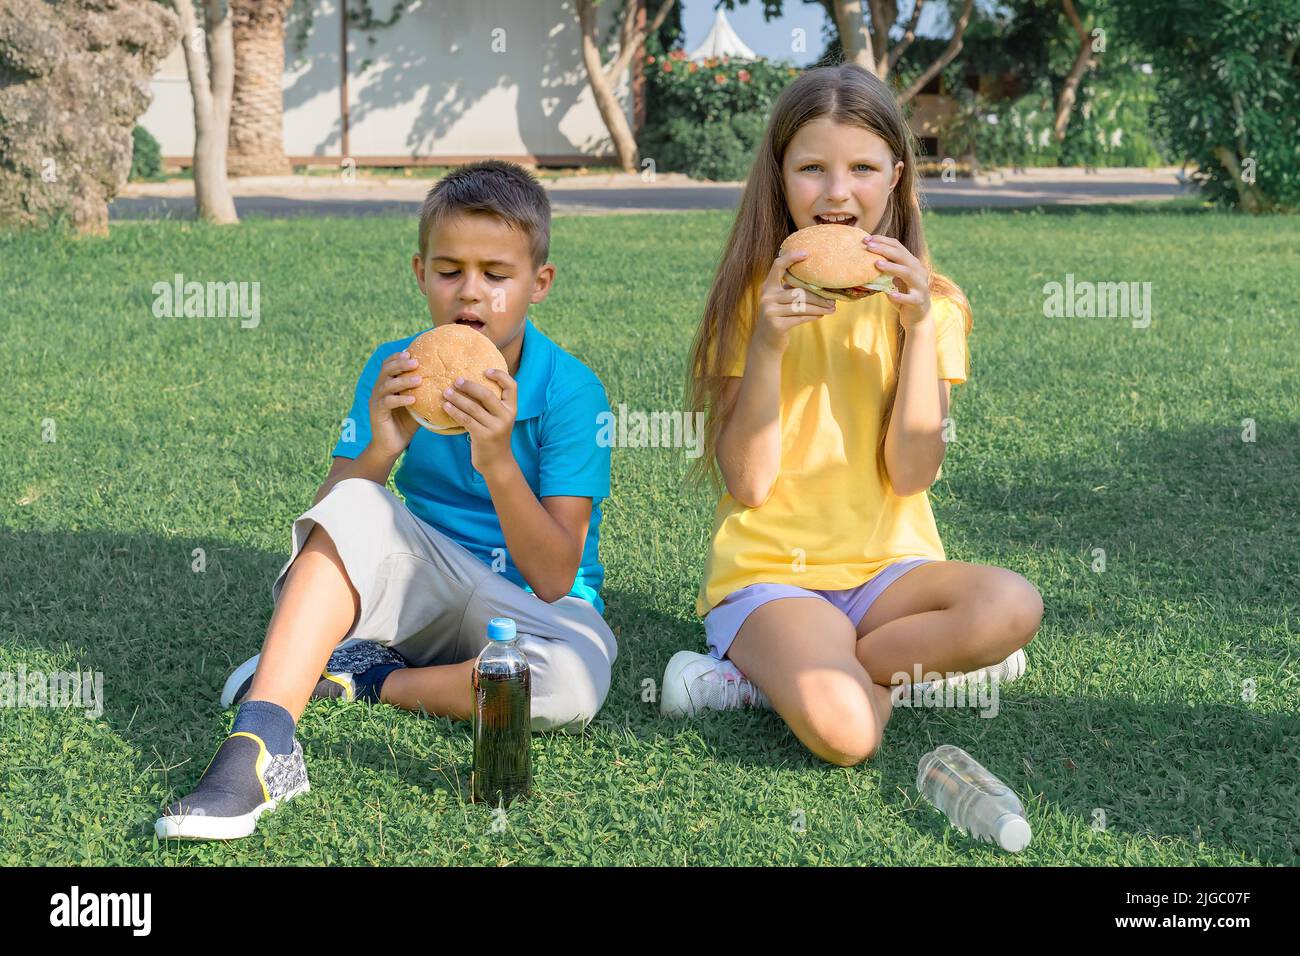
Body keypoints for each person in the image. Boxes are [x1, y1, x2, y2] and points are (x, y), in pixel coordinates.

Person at [156, 160, 617, 840]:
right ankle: (262, 742)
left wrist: (495, 459)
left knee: (571, 686)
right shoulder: (395, 366)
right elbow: (335, 518)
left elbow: (553, 576)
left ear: (537, 284)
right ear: (419, 272)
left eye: (496, 275)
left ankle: (366, 676)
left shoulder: (573, 392)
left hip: (531, 609)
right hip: (421, 587)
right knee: (354, 499)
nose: (471, 294)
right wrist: (381, 446)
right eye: (449, 270)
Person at [660, 65, 1043, 766]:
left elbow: (912, 472)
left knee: (1013, 605)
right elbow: (747, 484)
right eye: (811, 167)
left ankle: (798, 672)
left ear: (895, 176)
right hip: (774, 575)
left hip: (891, 575)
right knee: (849, 737)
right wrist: (770, 344)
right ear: (780, 177)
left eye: (862, 167)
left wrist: (921, 330)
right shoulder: (750, 301)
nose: (837, 191)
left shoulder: (938, 308)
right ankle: (877, 672)